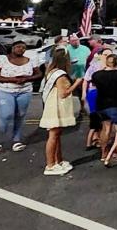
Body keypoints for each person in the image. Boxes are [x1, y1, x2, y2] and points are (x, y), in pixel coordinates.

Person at [0, 41, 40, 154]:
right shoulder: (2, 59)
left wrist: (26, 79)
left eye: (23, 48)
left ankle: (16, 140)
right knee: (6, 115)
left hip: (24, 91)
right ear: (12, 48)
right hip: (6, 90)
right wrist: (11, 79)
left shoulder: (30, 60)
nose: (21, 49)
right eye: (18, 47)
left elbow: (38, 74)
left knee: (20, 115)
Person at [39, 48, 83, 176]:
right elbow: (63, 93)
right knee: (53, 135)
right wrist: (77, 83)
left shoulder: (51, 71)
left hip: (54, 104)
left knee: (57, 134)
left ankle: (58, 160)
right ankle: (50, 165)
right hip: (56, 106)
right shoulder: (60, 75)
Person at [92, 54, 117, 166]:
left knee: (106, 129)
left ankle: (104, 153)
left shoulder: (97, 75)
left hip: (101, 104)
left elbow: (94, 83)